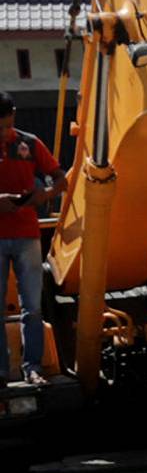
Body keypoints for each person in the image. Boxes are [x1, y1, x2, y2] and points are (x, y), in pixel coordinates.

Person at [0, 93, 61, 383]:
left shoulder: (31, 143)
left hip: (27, 235)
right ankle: (1, 371)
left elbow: (61, 179)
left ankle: (33, 368)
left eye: (6, 125)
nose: (4, 132)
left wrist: (44, 194)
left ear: (13, 115)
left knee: (33, 307)